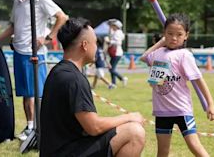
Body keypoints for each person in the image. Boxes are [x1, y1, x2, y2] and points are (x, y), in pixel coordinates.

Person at [0, 0, 68, 141]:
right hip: (19, 52)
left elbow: (62, 17)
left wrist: (48, 37)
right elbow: (13, 26)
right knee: (24, 93)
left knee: (37, 93)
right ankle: (30, 127)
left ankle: (42, 128)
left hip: (34, 54)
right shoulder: (17, 1)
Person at [40, 17, 145, 157]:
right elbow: (94, 127)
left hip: (60, 149)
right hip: (67, 152)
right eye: (95, 43)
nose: (97, 47)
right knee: (134, 132)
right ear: (84, 45)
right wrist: (130, 116)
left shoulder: (57, 71)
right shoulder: (74, 79)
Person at [140, 13, 214, 157]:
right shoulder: (158, 54)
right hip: (162, 112)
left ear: (186, 35)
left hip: (182, 110)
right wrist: (162, 42)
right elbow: (144, 57)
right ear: (164, 34)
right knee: (162, 151)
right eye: (169, 33)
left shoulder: (184, 55)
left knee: (195, 146)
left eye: (179, 34)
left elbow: (199, 80)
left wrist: (210, 104)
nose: (174, 38)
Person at [105, 19, 127, 89]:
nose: (111, 27)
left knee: (111, 69)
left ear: (116, 26)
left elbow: (118, 42)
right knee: (112, 68)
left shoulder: (118, 32)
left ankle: (122, 78)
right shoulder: (116, 32)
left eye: (113, 25)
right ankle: (113, 83)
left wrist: (110, 42)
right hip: (115, 52)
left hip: (117, 53)